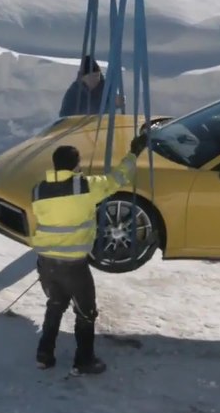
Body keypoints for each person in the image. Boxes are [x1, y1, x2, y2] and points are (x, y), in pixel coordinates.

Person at [30, 130, 150, 375]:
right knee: (86, 312)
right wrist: (134, 152)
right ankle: (84, 361)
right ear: (76, 166)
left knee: (55, 303)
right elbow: (118, 178)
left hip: (46, 263)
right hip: (74, 266)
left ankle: (44, 354)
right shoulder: (84, 187)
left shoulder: (38, 190)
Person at [59, 56, 124, 117]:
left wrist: (117, 103)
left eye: (96, 76)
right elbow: (64, 115)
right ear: (83, 78)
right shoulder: (74, 92)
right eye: (91, 77)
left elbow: (114, 104)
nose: (95, 79)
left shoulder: (106, 88)